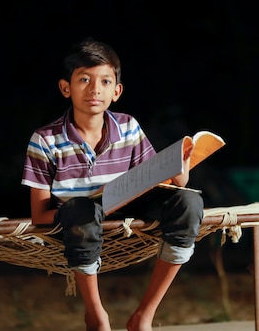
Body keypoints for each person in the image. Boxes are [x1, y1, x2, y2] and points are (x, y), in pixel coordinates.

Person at [21, 37, 203, 331]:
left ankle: (145, 314)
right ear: (65, 88)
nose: (95, 89)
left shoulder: (129, 127)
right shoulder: (45, 139)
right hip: (78, 223)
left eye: (105, 81)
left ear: (116, 91)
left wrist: (180, 170)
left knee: (189, 203)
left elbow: (157, 180)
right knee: (82, 210)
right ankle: (96, 314)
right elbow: (39, 214)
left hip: (127, 209)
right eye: (84, 79)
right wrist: (80, 211)